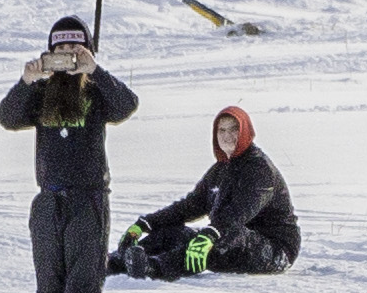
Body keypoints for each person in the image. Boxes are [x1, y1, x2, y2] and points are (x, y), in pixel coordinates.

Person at [0, 13, 140, 293]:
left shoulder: (95, 93)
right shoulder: (42, 94)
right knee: (49, 292)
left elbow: (127, 105)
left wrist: (98, 71)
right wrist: (27, 81)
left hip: (88, 201)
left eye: (75, 50)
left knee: (82, 289)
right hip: (47, 202)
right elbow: (7, 118)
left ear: (87, 52)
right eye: (59, 49)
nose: (67, 57)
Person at [123, 105, 301, 281]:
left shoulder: (260, 169)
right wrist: (145, 224)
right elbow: (189, 206)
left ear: (246, 131)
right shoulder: (220, 169)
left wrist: (210, 234)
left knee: (215, 239)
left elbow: (239, 213)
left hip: (275, 249)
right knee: (173, 234)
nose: (227, 136)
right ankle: (120, 260)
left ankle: (153, 268)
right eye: (221, 130)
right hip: (234, 237)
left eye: (233, 130)